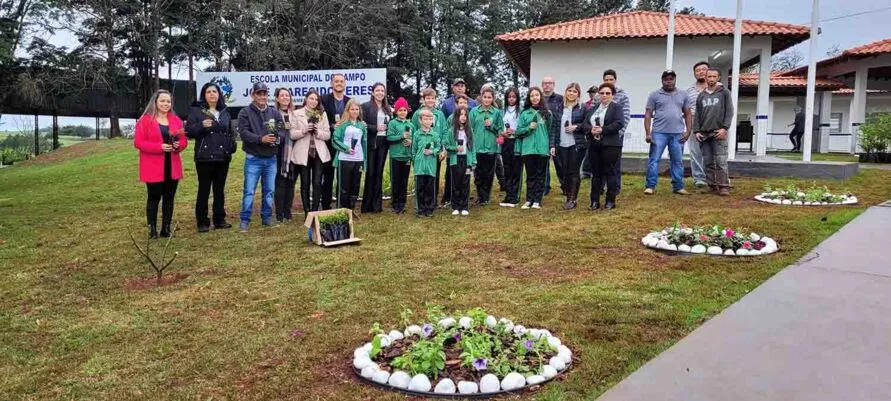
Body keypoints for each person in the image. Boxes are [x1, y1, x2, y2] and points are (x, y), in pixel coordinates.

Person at [134, 89, 188, 239]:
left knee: (169, 197)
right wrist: (159, 147)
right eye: (162, 101)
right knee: (154, 198)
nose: (166, 104)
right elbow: (138, 142)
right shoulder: (145, 120)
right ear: (156, 102)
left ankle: (166, 228)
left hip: (172, 165)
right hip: (153, 166)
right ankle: (152, 230)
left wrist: (179, 146)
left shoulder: (176, 120)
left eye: (168, 101)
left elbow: (183, 141)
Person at [185, 82, 236, 233]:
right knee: (204, 189)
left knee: (219, 190)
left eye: (214, 91)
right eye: (208, 92)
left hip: (222, 157)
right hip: (205, 157)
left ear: (219, 94)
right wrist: (200, 125)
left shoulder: (224, 111)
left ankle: (219, 219)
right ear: (204, 95)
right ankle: (202, 221)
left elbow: (230, 131)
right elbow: (188, 131)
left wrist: (231, 146)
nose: (212, 94)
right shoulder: (196, 111)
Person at [237, 82, 284, 232]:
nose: (262, 96)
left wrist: (278, 139)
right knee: (249, 190)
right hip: (253, 158)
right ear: (253, 95)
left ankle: (267, 217)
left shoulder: (274, 113)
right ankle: (245, 220)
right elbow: (243, 133)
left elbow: (281, 131)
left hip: (271, 158)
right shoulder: (245, 112)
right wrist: (260, 139)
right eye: (259, 93)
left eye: (264, 94)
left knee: (269, 190)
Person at [644, 70, 692, 196]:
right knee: (654, 160)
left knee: (677, 161)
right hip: (658, 133)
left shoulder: (683, 95)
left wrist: (688, 131)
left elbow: (688, 114)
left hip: (677, 133)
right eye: (666, 79)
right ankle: (650, 186)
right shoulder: (654, 95)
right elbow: (648, 114)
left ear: (675, 80)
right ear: (662, 80)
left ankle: (678, 186)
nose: (669, 81)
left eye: (671, 78)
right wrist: (648, 133)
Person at [580, 83, 625, 210]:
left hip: (611, 145)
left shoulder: (617, 108)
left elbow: (619, 123)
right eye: (602, 93)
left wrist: (602, 130)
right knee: (596, 174)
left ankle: (610, 201)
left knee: (610, 173)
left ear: (613, 95)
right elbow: (584, 124)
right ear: (598, 94)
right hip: (594, 145)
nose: (604, 95)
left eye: (607, 93)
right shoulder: (593, 109)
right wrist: (591, 130)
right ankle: (594, 201)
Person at [692, 68, 735, 196]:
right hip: (704, 134)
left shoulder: (724, 92)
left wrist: (724, 128)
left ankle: (723, 186)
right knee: (708, 161)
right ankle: (711, 185)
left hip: (718, 133)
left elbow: (730, 111)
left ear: (718, 78)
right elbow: (698, 115)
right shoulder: (701, 96)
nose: (711, 79)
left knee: (721, 161)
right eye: (709, 76)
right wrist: (696, 131)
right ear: (705, 78)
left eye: (713, 76)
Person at [289, 89, 331, 214]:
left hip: (318, 152)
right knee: (305, 182)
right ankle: (307, 211)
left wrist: (318, 132)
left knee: (317, 182)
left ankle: (315, 210)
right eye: (311, 98)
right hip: (303, 152)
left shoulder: (322, 114)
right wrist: (304, 130)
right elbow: (292, 134)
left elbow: (328, 135)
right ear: (306, 99)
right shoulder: (296, 113)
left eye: (316, 99)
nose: (313, 101)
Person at [549, 82, 586, 210]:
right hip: (562, 145)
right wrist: (552, 144)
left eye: (574, 91)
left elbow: (587, 125)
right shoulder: (559, 107)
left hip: (576, 144)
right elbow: (554, 127)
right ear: (566, 92)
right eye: (569, 90)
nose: (571, 93)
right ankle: (568, 195)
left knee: (573, 171)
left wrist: (577, 127)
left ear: (578, 94)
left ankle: (572, 199)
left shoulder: (583, 108)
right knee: (564, 172)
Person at [412, 88, 448, 207]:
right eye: (428, 98)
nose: (430, 100)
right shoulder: (417, 114)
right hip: (421, 153)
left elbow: (444, 131)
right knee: (421, 177)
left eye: (433, 98)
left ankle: (432, 202)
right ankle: (421, 203)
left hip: (435, 152)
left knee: (434, 175)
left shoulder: (440, 114)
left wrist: (443, 149)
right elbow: (414, 132)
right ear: (423, 99)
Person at [515, 87, 551, 209]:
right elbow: (518, 131)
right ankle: (529, 199)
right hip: (528, 149)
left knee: (540, 175)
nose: (535, 98)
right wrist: (529, 128)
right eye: (532, 96)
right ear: (529, 99)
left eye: (537, 95)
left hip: (542, 148)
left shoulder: (547, 113)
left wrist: (549, 146)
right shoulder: (525, 113)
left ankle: (537, 200)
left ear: (540, 96)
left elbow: (550, 131)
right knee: (530, 175)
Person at [319, 74, 351, 210]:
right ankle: (326, 205)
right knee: (328, 175)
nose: (339, 83)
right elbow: (318, 119)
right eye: (336, 81)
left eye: (341, 81)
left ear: (345, 84)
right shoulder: (323, 99)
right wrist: (332, 126)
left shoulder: (349, 101)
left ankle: (342, 204)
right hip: (328, 144)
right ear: (331, 84)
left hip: (345, 144)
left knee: (343, 177)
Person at [360, 83, 391, 213]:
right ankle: (367, 205)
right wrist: (375, 128)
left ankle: (377, 205)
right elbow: (363, 124)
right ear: (372, 92)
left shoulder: (387, 108)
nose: (380, 93)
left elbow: (390, 124)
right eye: (377, 90)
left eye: (382, 91)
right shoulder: (366, 106)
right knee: (371, 173)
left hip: (384, 142)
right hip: (372, 142)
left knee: (379, 173)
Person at [470, 87, 503, 206]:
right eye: (485, 97)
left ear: (493, 98)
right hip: (477, 147)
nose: (487, 99)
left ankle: (485, 197)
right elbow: (470, 128)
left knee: (488, 174)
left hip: (491, 147)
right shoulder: (474, 111)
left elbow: (500, 130)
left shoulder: (497, 113)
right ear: (481, 97)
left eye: (489, 97)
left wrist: (491, 126)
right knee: (478, 173)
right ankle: (480, 195)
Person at [331, 99, 367, 210]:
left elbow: (364, 143)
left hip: (358, 158)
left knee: (355, 185)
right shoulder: (342, 125)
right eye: (352, 109)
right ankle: (342, 209)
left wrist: (365, 161)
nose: (355, 111)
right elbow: (335, 139)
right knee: (344, 186)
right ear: (348, 110)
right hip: (345, 158)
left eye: (357, 109)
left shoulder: (362, 125)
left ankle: (351, 209)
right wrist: (346, 148)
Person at [443, 106, 475, 215]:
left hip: (467, 160)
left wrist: (473, 162)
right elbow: (446, 145)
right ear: (456, 116)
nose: (463, 117)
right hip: (455, 160)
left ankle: (464, 206)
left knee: (465, 183)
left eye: (465, 115)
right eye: (461, 114)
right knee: (456, 183)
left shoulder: (470, 131)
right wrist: (455, 148)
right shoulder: (451, 130)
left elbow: (473, 147)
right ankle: (456, 206)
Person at [273, 88, 298, 223]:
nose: (284, 98)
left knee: (291, 183)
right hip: (279, 153)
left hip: (294, 152)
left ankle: (288, 212)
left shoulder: (294, 114)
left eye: (287, 95)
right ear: (277, 98)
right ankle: (279, 213)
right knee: (280, 183)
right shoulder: (273, 113)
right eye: (281, 95)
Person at [386, 97, 414, 214]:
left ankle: (402, 203)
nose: (403, 112)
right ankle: (395, 202)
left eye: (404, 110)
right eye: (400, 110)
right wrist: (401, 136)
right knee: (396, 180)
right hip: (396, 156)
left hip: (406, 156)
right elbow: (389, 137)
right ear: (396, 111)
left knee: (404, 181)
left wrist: (410, 141)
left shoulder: (410, 124)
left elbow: (414, 137)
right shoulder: (392, 123)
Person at [686, 61, 710, 187]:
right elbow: (686, 108)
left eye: (703, 69)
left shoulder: (719, 88)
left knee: (714, 152)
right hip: (695, 123)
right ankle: (699, 178)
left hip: (713, 123)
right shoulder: (689, 90)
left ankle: (715, 177)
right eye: (697, 70)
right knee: (695, 152)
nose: (701, 72)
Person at [412, 109, 441, 217]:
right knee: (420, 188)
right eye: (425, 119)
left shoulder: (434, 135)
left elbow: (438, 148)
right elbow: (413, 150)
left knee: (430, 188)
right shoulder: (416, 134)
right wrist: (415, 161)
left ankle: (429, 209)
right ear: (420, 120)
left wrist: (432, 151)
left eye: (430, 119)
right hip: (419, 166)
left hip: (431, 166)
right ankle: (420, 209)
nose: (428, 121)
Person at [499, 87, 523, 207]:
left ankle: (515, 195)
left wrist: (515, 131)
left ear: (517, 98)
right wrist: (502, 132)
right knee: (507, 169)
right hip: (505, 142)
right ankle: (508, 195)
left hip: (516, 141)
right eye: (509, 97)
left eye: (513, 97)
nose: (511, 99)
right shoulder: (502, 111)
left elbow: (523, 127)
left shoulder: (521, 111)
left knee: (516, 169)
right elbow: (498, 126)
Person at [541, 76, 563, 196]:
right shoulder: (539, 99)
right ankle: (545, 187)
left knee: (559, 163)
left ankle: (565, 186)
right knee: (544, 163)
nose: (547, 85)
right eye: (545, 83)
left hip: (557, 135)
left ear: (553, 85)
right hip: (543, 134)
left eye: (549, 83)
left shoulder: (560, 99)